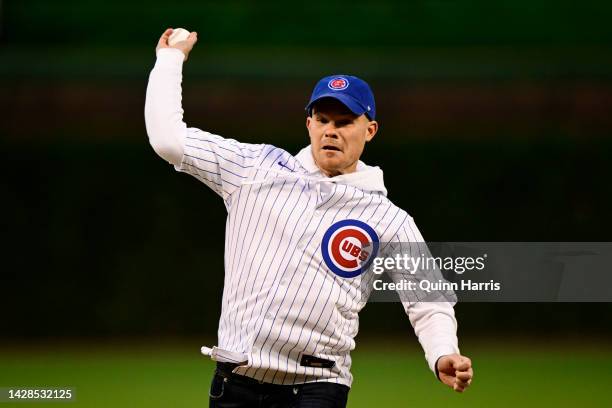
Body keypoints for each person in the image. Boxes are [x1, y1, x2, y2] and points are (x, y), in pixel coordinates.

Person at [145, 28, 473, 408]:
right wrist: (169, 61)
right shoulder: (257, 169)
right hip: (235, 382)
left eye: (344, 121)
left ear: (370, 130)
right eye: (323, 119)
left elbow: (428, 298)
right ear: (309, 125)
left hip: (317, 386)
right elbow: (168, 140)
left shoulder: (388, 218)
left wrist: (443, 352)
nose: (331, 131)